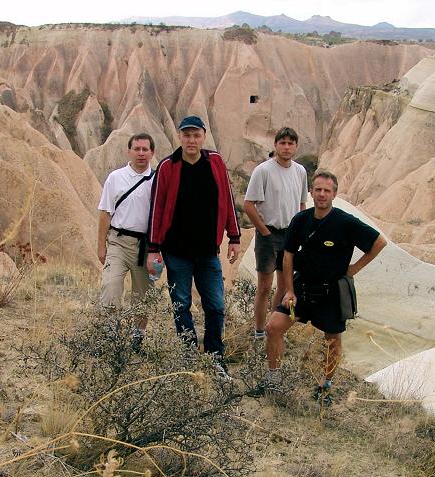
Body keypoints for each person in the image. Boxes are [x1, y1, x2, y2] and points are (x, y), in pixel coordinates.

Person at [264, 171, 387, 405]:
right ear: (311, 192)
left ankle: (325, 386)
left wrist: (354, 269)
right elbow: (288, 255)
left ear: (334, 193)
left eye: (326, 190)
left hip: (332, 291)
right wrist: (289, 290)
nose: (321, 194)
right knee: (273, 327)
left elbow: (379, 242)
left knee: (333, 341)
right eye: (318, 189)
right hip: (302, 287)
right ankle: (274, 379)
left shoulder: (346, 222)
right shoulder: (301, 220)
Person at [146, 116, 241, 377]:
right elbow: (157, 209)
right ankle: (189, 356)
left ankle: (214, 357)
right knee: (182, 304)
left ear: (203, 136)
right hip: (176, 252)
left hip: (208, 251)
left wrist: (234, 237)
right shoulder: (168, 166)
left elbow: (228, 199)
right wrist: (153, 249)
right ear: (179, 137)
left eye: (196, 135)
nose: (191, 140)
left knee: (216, 305)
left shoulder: (216, 162)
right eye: (186, 135)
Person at [243, 127, 308, 341]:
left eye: (291, 143)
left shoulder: (300, 172)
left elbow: (301, 204)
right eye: (283, 143)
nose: (287, 147)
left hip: (290, 234)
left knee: (284, 285)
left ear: (296, 146)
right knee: (264, 286)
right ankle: (259, 331)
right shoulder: (263, 171)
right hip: (268, 233)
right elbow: (249, 205)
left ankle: (274, 327)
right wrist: (264, 231)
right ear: (276, 145)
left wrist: (301, 232)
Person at [97, 133, 156, 345]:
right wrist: (101, 246)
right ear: (128, 151)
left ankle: (137, 338)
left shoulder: (157, 180)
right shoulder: (116, 178)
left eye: (145, 149)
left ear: (152, 153)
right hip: (118, 242)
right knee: (111, 287)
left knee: (142, 296)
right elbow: (105, 213)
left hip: (145, 247)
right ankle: (109, 335)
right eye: (137, 149)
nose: (141, 153)